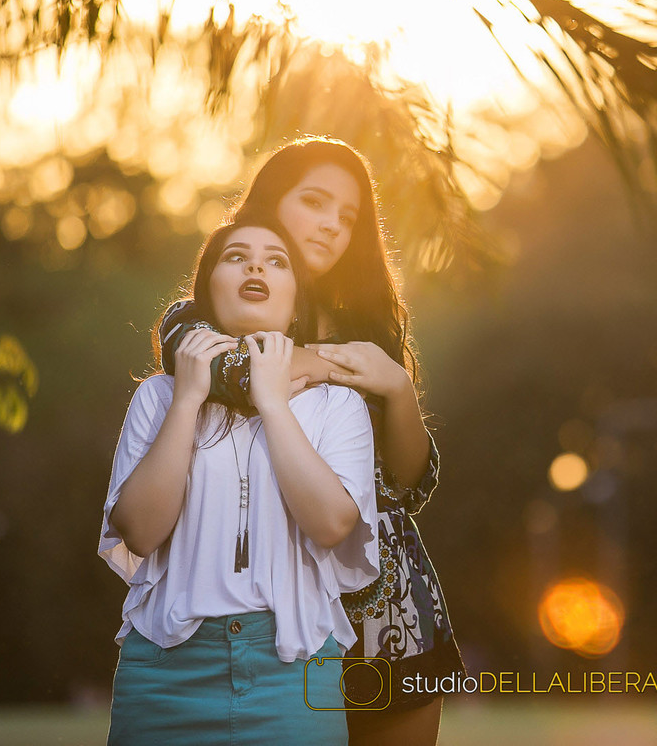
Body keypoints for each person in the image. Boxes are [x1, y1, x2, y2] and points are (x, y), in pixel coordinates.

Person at [156, 136, 464, 745]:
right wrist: (334, 363)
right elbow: (240, 376)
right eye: (315, 202)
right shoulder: (195, 322)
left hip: (389, 609)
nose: (332, 226)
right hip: (267, 615)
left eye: (347, 217)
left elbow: (407, 485)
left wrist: (398, 386)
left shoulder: (365, 328)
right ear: (270, 201)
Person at [100, 219, 379, 745]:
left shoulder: (337, 405)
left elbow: (331, 524)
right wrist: (187, 399)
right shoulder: (158, 397)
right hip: (164, 677)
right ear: (206, 294)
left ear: (296, 305)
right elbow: (140, 531)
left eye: (277, 260)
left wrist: (272, 403)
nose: (255, 265)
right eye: (236, 256)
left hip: (294, 676)